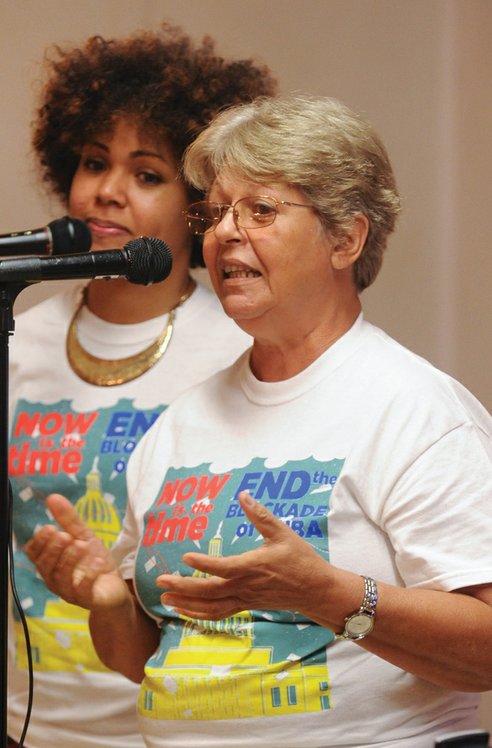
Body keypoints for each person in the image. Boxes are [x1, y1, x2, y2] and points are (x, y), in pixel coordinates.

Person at [25, 95, 492, 748]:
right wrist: (105, 598)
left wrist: (330, 596)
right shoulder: (179, 427)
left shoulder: (416, 412)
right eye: (214, 213)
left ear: (347, 238)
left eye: (261, 210)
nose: (224, 233)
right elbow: (151, 657)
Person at [0, 26, 277, 748]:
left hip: (178, 723)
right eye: (93, 162)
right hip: (25, 722)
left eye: (147, 174)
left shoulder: (242, 346)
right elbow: (3, 538)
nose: (107, 190)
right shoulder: (8, 343)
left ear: (199, 202)